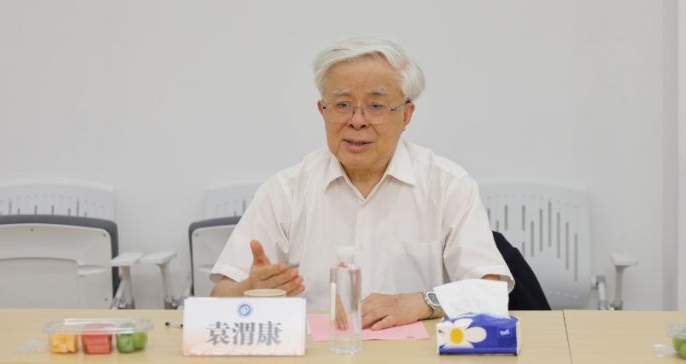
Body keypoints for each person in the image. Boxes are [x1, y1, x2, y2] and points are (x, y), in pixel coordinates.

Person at [210, 37, 513, 330]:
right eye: (342, 104)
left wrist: (421, 302)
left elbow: (492, 292)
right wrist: (249, 288)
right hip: (317, 352)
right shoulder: (285, 191)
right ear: (322, 111)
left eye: (376, 106)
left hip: (415, 353)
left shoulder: (448, 185)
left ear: (406, 115)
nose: (357, 120)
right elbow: (219, 297)